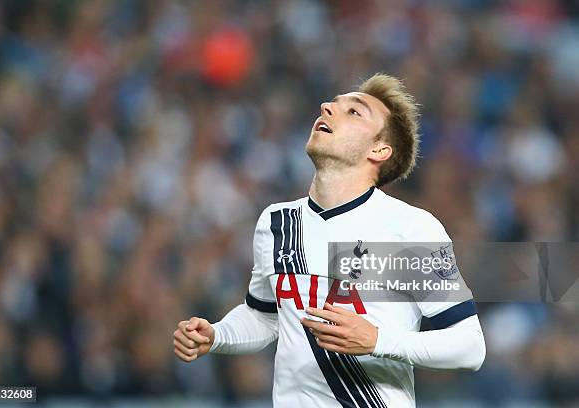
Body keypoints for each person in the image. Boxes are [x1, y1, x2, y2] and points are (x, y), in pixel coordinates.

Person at [173, 73, 486, 408]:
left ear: (379, 149)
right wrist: (217, 335)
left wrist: (378, 340)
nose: (327, 107)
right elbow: (265, 316)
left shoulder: (410, 229)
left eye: (355, 111)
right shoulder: (278, 223)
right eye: (332, 104)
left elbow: (468, 347)